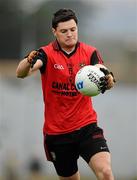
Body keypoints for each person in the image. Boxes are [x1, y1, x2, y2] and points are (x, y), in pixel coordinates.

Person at [16, 8, 115, 180]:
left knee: (105, 171)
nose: (69, 34)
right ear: (54, 32)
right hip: (57, 134)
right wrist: (28, 61)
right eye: (64, 31)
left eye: (73, 29)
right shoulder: (45, 53)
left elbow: (101, 69)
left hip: (87, 126)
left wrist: (109, 78)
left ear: (77, 28)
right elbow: (21, 72)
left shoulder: (90, 52)